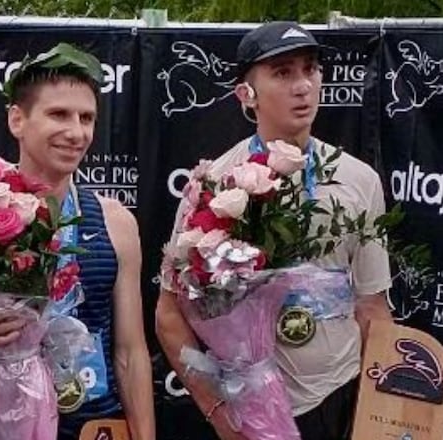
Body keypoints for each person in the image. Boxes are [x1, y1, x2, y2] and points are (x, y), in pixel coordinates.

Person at [155, 21, 393, 440]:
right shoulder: (213, 185)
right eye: (283, 73)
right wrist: (219, 414)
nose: (303, 85)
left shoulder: (361, 180)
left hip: (341, 398)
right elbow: (169, 316)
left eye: (310, 69)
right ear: (246, 95)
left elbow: (372, 309)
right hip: (250, 408)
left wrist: (379, 416)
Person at [0, 43, 155, 440]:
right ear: (17, 119)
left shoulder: (116, 222)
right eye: (59, 114)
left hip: (97, 427)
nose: (76, 132)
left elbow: (130, 351)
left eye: (87, 118)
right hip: (2, 426)